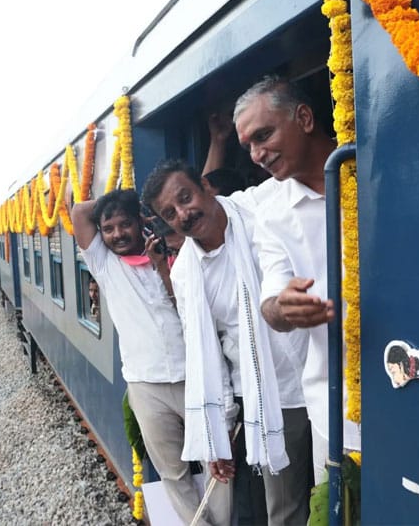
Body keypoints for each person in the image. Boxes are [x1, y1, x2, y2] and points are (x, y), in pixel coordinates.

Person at [142, 159, 311, 526]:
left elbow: (300, 173)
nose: (183, 214)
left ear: (206, 186)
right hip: (271, 398)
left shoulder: (259, 209)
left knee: (345, 491)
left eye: (185, 198)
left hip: (323, 371)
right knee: (285, 511)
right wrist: (217, 434)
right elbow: (207, 357)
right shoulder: (186, 273)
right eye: (170, 213)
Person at [233, 74, 361, 484]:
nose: (256, 154)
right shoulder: (271, 214)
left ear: (304, 117)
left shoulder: (372, 168)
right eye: (248, 145)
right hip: (335, 410)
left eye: (263, 135)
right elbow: (272, 301)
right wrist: (282, 307)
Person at [70, 189, 200, 525]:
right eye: (108, 228)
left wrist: (161, 264)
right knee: (174, 471)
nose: (116, 234)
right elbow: (79, 212)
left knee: (219, 461)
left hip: (195, 377)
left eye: (124, 224)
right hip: (146, 385)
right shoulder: (104, 264)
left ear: (139, 222)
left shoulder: (169, 253)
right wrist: (125, 200)